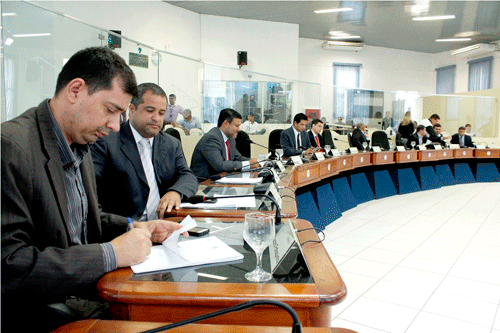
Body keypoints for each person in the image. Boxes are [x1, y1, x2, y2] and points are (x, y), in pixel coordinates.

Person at [1, 47, 186, 332]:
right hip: (44, 311)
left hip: (87, 292)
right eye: (111, 111)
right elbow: (9, 265)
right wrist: (111, 254)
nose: (114, 126)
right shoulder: (11, 147)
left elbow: (88, 219)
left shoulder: (81, 143)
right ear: (75, 90)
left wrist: (136, 227)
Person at [91, 83, 198, 221]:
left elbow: (187, 176)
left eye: (161, 113)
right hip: (125, 229)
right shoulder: (106, 141)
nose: (157, 118)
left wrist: (175, 192)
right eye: (150, 110)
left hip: (165, 223)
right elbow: (92, 197)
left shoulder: (171, 144)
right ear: (132, 109)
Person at [190, 108, 258, 179]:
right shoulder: (211, 138)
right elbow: (220, 165)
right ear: (226, 124)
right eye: (236, 126)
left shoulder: (230, 138)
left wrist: (256, 162)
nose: (238, 129)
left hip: (222, 179)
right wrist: (248, 164)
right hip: (205, 183)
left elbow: (238, 158)